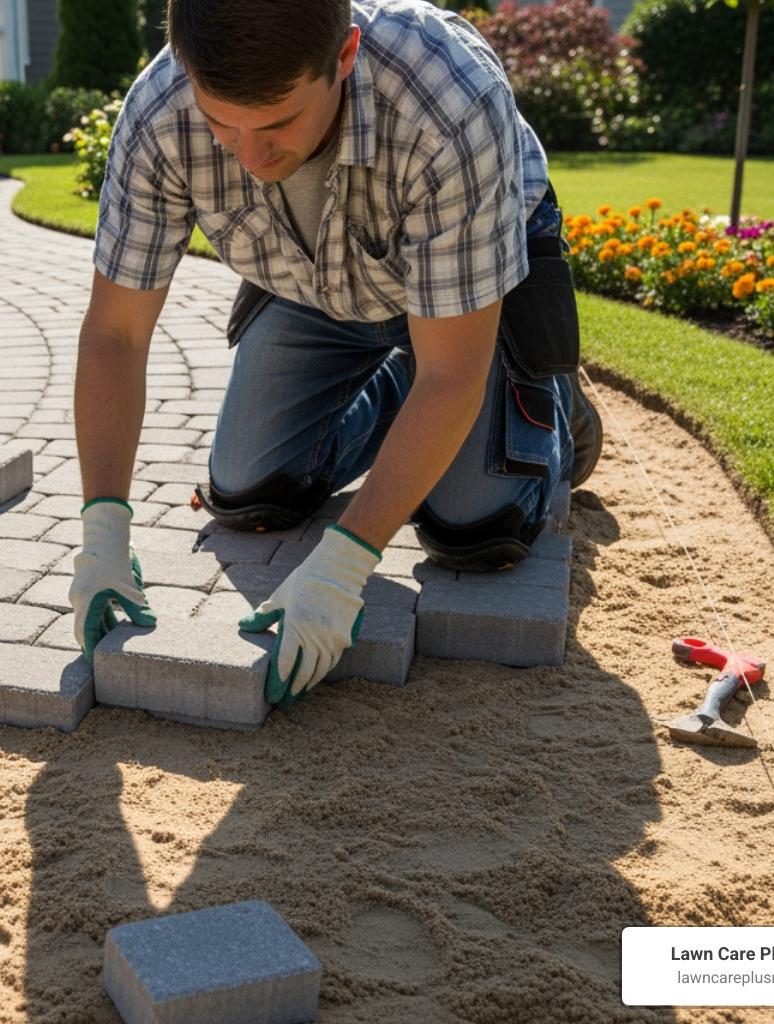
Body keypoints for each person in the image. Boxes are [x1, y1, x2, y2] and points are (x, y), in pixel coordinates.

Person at [68, 0, 603, 709]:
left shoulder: (448, 100)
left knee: (473, 529)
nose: (251, 158)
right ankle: (409, 385)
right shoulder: (159, 111)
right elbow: (115, 334)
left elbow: (451, 375)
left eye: (279, 123)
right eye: (222, 123)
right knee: (248, 495)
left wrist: (342, 566)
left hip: (469, 283)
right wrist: (103, 530)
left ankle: (550, 403)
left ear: (345, 56)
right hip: (313, 283)